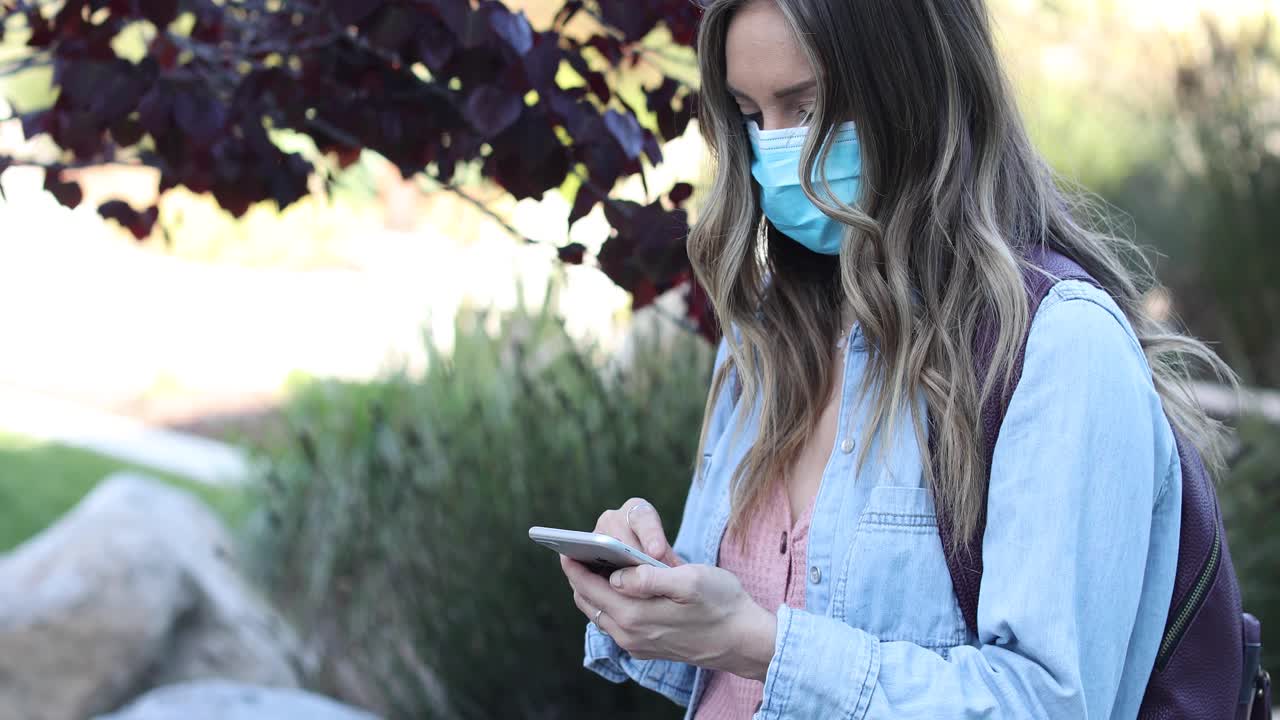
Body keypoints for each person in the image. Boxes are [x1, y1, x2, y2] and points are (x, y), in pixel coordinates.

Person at [557, 0, 1233, 717]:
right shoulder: (764, 331)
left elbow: (1044, 703)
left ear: (914, 91)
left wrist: (757, 642)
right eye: (752, 116)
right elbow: (724, 656)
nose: (776, 152)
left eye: (807, 107)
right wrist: (650, 586)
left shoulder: (1056, 346)